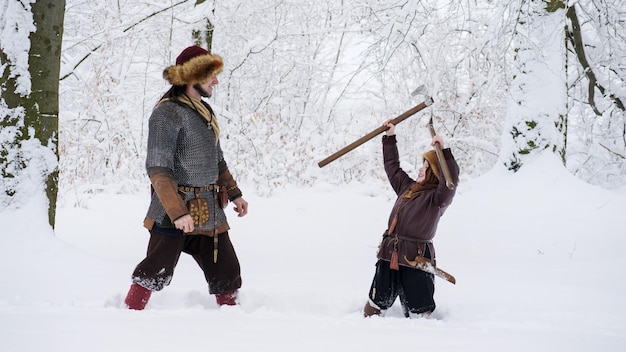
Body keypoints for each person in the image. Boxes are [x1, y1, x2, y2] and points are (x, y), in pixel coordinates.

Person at [124, 45, 248, 310]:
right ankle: (129, 315)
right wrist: (179, 212)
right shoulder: (166, 114)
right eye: (210, 75)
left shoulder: (204, 112)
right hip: (173, 209)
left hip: (209, 207)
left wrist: (235, 193)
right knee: (155, 269)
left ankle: (233, 321)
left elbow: (218, 160)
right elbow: (158, 169)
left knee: (227, 270)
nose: (215, 81)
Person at [363, 119, 459, 318]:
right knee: (374, 309)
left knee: (420, 315)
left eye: (426, 167)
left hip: (416, 259)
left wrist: (445, 152)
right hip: (389, 255)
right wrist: (390, 138)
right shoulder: (407, 188)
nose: (420, 169)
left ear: (435, 174)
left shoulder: (437, 198)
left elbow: (451, 183)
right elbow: (392, 168)